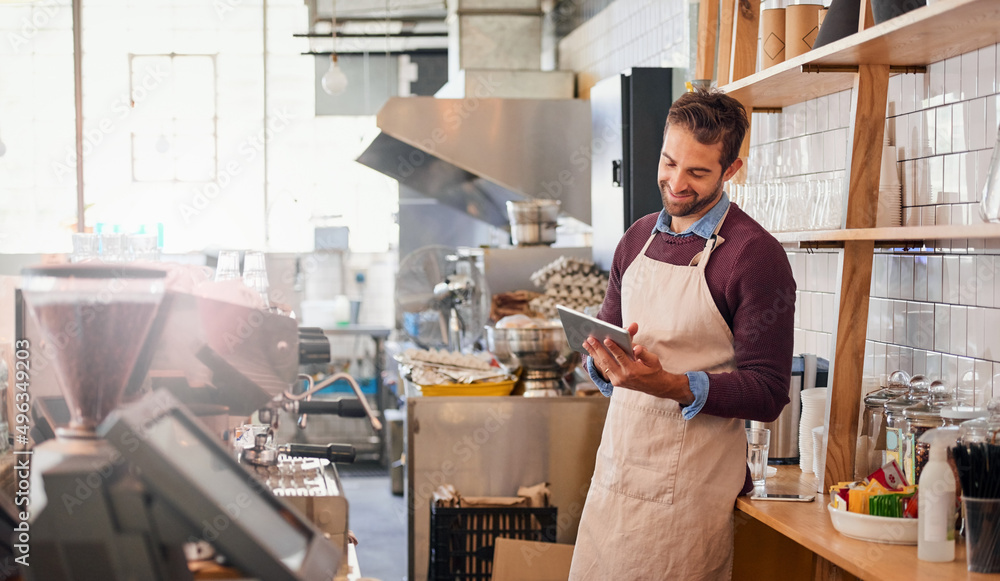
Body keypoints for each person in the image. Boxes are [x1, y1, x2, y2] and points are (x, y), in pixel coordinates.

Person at [568, 88, 796, 580]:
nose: (676, 183)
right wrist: (600, 360)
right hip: (616, 475)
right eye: (669, 163)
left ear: (730, 170)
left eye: (697, 172)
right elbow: (608, 344)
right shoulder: (637, 237)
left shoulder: (755, 255)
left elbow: (769, 390)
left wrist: (671, 384)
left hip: (689, 494)